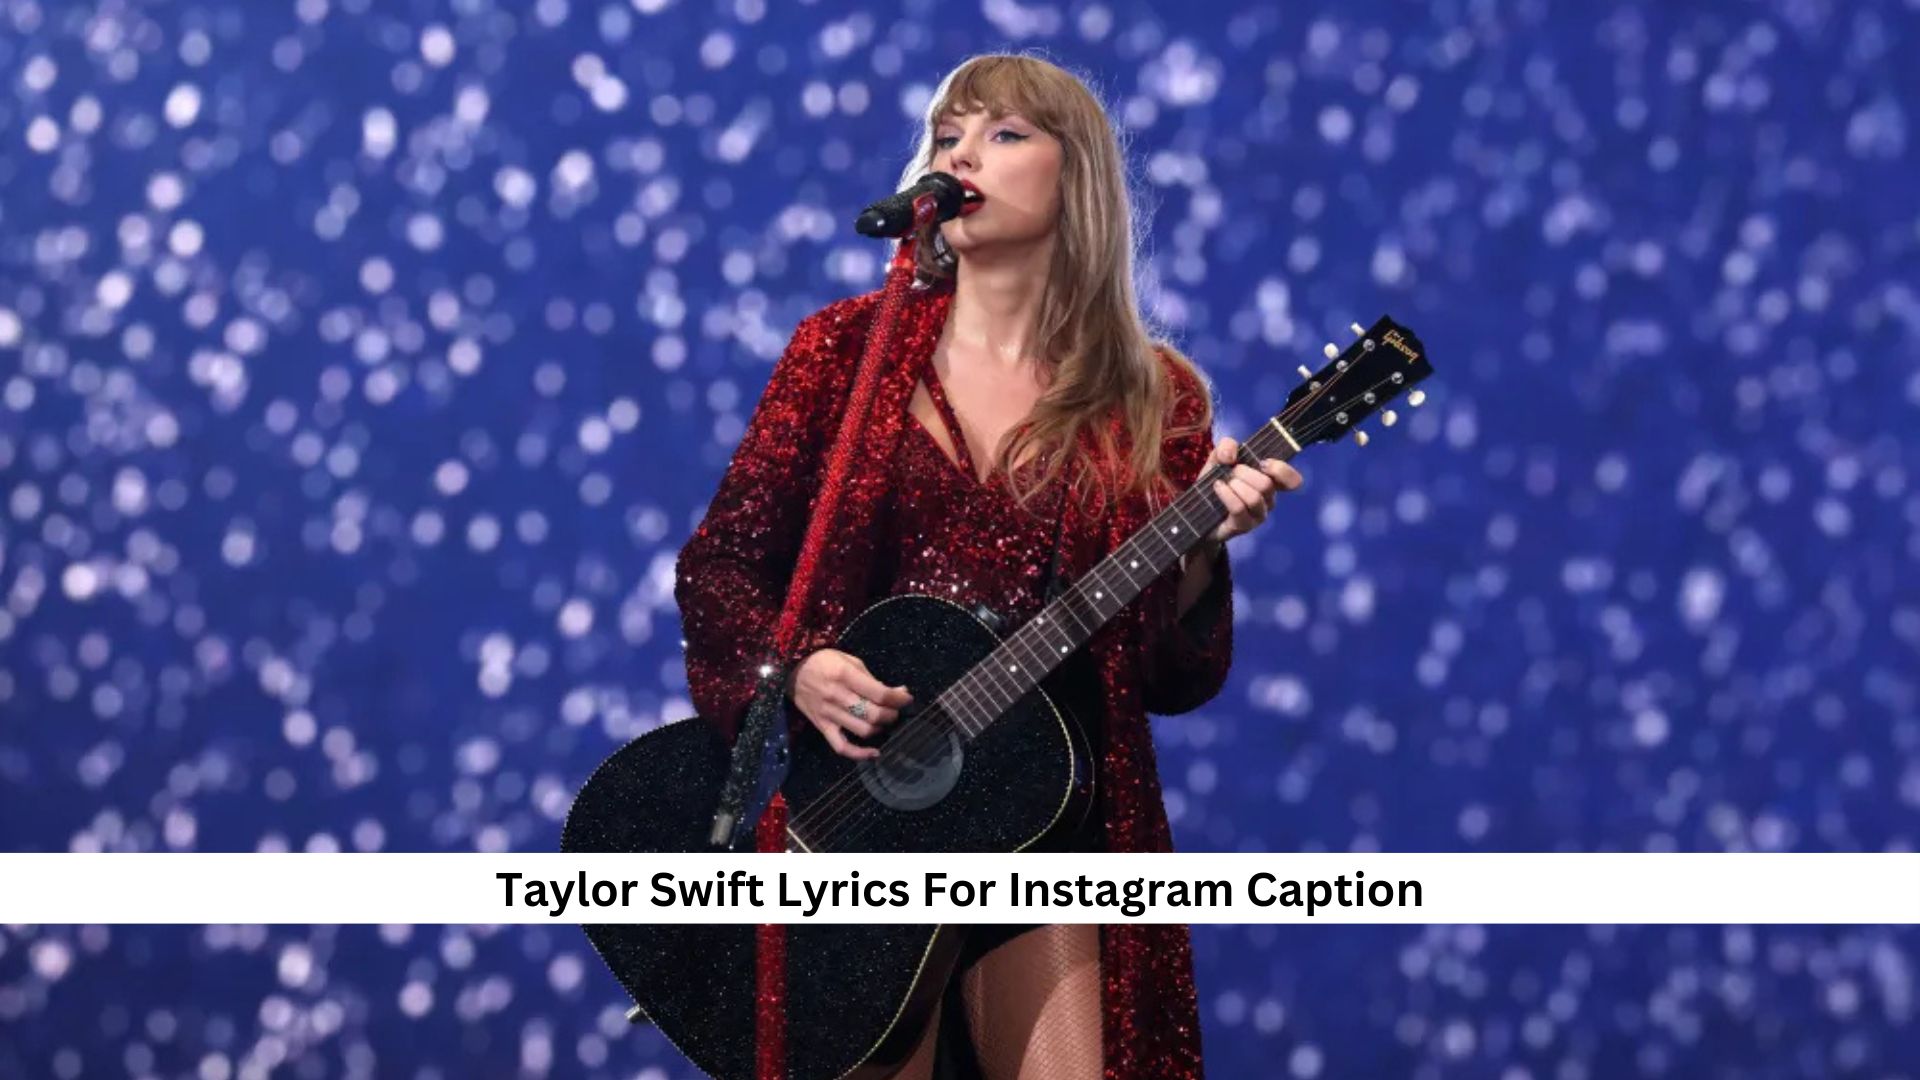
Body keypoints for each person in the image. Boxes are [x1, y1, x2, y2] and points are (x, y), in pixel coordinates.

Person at [674, 53, 1303, 1079]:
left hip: (1047, 822)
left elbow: (1166, 677)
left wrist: (1198, 561)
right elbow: (722, 569)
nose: (962, 151)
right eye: (949, 133)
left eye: (1004, 133)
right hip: (864, 815)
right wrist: (799, 671)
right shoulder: (842, 351)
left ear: (1077, 178)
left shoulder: (1156, 398)